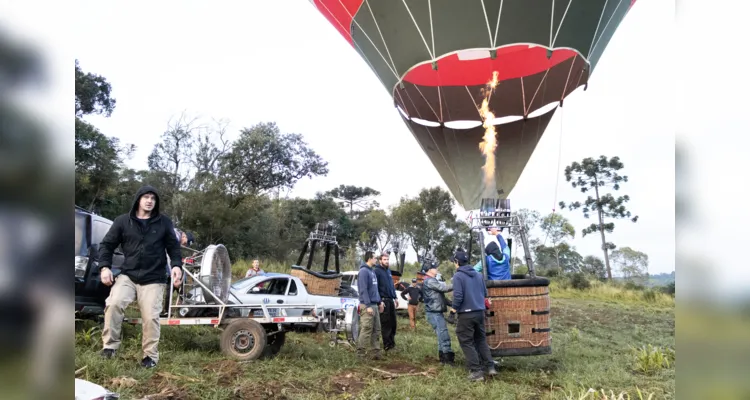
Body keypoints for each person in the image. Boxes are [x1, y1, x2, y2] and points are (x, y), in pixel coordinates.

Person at [98, 185, 183, 368]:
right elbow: (106, 245)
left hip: (154, 277)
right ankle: (110, 347)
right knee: (113, 304)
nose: (149, 200)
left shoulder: (164, 223)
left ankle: (149, 357)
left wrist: (176, 266)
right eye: (146, 197)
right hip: (128, 275)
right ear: (138, 199)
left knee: (151, 316)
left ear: (156, 202)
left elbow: (173, 248)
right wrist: (104, 267)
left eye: (153, 198)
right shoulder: (122, 221)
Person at [451, 249, 497, 381]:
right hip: (480, 313)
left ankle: (476, 371)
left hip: (466, 314)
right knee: (481, 340)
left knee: (466, 341)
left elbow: (458, 296)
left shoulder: (458, 276)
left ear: (457, 262)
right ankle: (490, 367)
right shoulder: (478, 275)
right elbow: (485, 294)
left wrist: (453, 310)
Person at [422, 261, 455, 366]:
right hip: (434, 312)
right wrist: (458, 283)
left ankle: (443, 359)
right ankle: (447, 360)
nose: (437, 269)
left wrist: (453, 304)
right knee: (443, 335)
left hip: (435, 312)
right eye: (434, 268)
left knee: (441, 335)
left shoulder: (431, 281)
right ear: (429, 270)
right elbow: (443, 288)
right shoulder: (430, 281)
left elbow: (441, 298)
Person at [356, 251, 384, 360]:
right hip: (367, 305)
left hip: (374, 305)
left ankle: (375, 353)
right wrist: (367, 305)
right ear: (369, 259)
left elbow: (374, 290)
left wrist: (379, 301)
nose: (376, 260)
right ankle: (360, 354)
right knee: (366, 329)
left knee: (376, 329)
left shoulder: (372, 272)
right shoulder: (363, 271)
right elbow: (363, 290)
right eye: (375, 258)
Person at [374, 252, 399, 351]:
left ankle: (392, 344)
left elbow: (391, 286)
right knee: (386, 324)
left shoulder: (388, 271)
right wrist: (379, 301)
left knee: (393, 323)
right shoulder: (377, 271)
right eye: (384, 259)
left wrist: (395, 297)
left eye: (387, 259)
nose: (386, 261)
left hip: (390, 300)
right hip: (383, 300)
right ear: (380, 260)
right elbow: (375, 288)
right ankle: (387, 346)